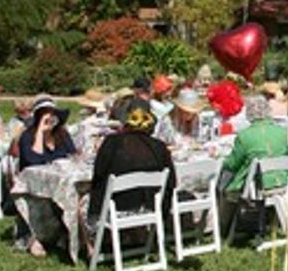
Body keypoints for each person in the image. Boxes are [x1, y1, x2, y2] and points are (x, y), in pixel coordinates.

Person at [84, 101, 176, 259]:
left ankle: (89, 248)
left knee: (81, 200)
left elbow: (98, 174)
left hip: (116, 210)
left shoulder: (112, 143)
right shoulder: (160, 148)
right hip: (148, 209)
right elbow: (171, 182)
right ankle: (137, 238)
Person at [13, 97, 77, 256]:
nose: (50, 119)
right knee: (39, 199)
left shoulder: (62, 134)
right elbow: (33, 160)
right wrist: (41, 133)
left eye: (52, 115)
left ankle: (69, 235)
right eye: (45, 115)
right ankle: (34, 237)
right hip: (34, 184)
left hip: (60, 180)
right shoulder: (28, 136)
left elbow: (72, 154)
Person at [217, 94, 288, 199]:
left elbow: (232, 164)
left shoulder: (244, 135)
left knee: (224, 181)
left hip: (255, 186)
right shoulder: (282, 132)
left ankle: (223, 213)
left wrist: (221, 159)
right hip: (282, 180)